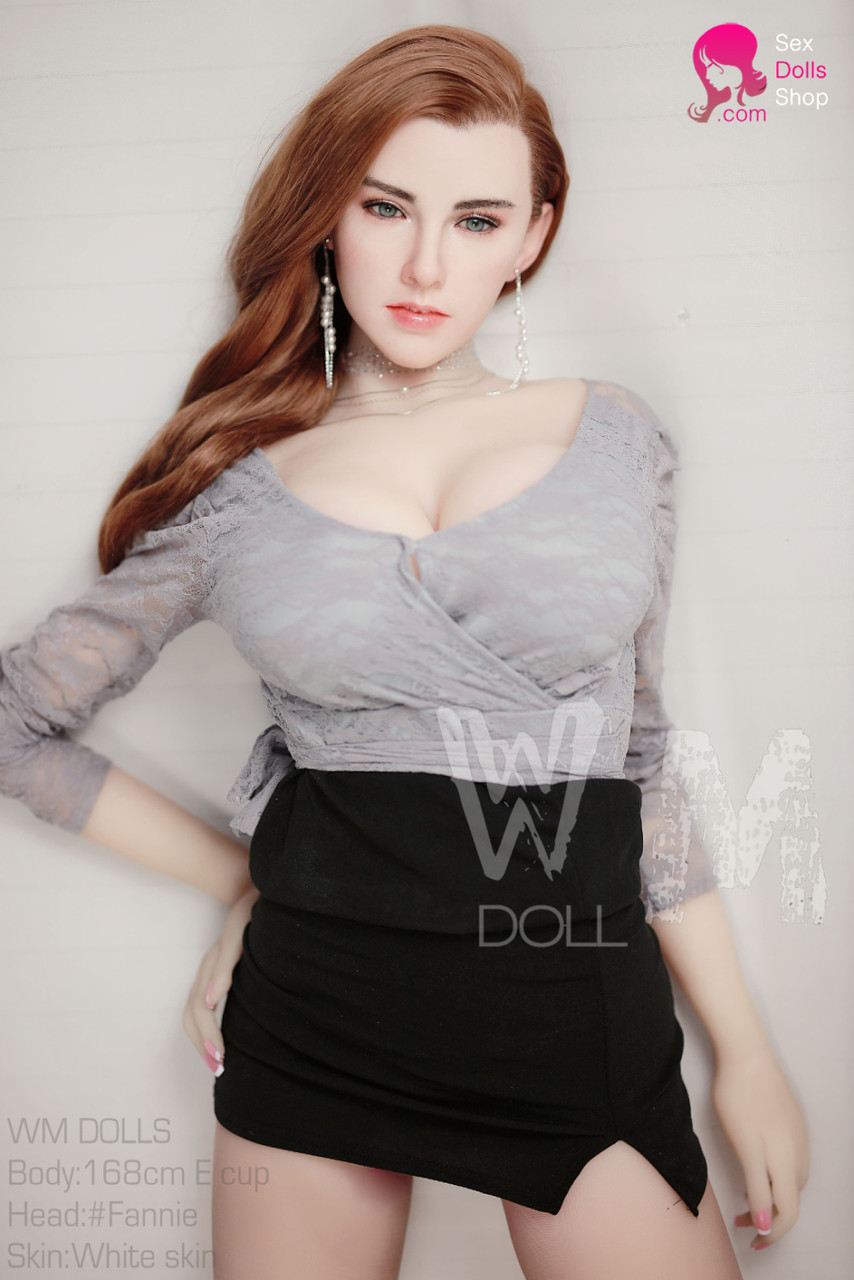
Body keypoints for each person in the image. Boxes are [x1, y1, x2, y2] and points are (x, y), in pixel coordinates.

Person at [0, 24, 808, 1280]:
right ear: (328, 215)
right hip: (314, 1021)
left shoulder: (613, 440)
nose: (427, 263)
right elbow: (15, 721)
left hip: (576, 1021)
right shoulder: (235, 492)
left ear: (532, 236)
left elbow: (639, 756)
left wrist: (743, 1051)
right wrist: (245, 879)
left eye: (477, 219)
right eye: (386, 207)